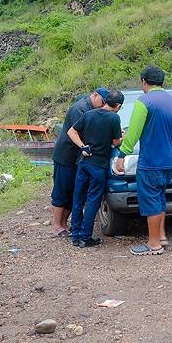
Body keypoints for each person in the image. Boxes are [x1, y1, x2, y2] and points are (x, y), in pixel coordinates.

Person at [115, 66, 172, 256]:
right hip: (168, 159)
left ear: (144, 81)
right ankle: (161, 236)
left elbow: (134, 132)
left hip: (150, 161)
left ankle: (153, 244)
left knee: (150, 199)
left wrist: (122, 155)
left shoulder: (144, 101)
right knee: (160, 197)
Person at [66, 89, 125, 248]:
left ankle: (76, 236)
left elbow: (71, 131)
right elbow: (116, 142)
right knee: (93, 200)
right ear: (118, 105)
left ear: (105, 101)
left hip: (84, 162)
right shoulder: (114, 118)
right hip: (99, 165)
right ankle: (86, 237)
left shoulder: (89, 114)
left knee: (78, 199)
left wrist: (83, 146)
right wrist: (122, 136)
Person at [50, 88, 109, 237]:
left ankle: (65, 224)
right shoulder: (79, 108)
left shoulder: (91, 108)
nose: (103, 106)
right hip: (66, 155)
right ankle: (57, 226)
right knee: (61, 190)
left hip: (79, 158)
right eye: (102, 102)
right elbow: (80, 132)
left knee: (73, 192)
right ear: (94, 95)